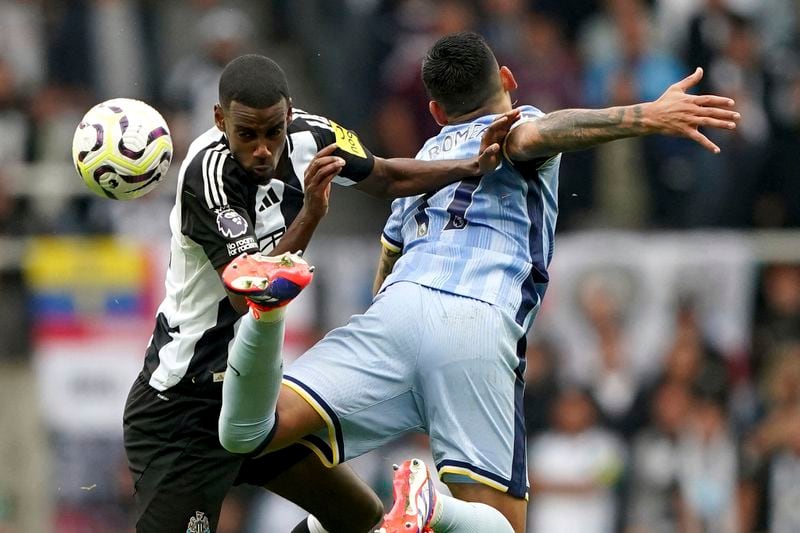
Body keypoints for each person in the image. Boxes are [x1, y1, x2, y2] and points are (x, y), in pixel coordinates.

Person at [217, 32, 740, 532]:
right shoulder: (516, 124)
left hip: (394, 313)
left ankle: (266, 319)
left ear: (436, 114)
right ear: (508, 79)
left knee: (253, 433)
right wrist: (647, 115)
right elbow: (544, 132)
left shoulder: (421, 163)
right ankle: (431, 509)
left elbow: (387, 265)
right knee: (498, 527)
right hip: (476, 322)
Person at [122, 53, 517, 533]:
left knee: (360, 519)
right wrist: (309, 215)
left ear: (289, 115)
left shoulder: (316, 136)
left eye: (274, 131)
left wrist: (472, 166)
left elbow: (387, 176)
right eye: (247, 134)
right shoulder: (207, 177)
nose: (263, 149)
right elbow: (251, 294)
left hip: (252, 399)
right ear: (220, 120)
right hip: (184, 409)